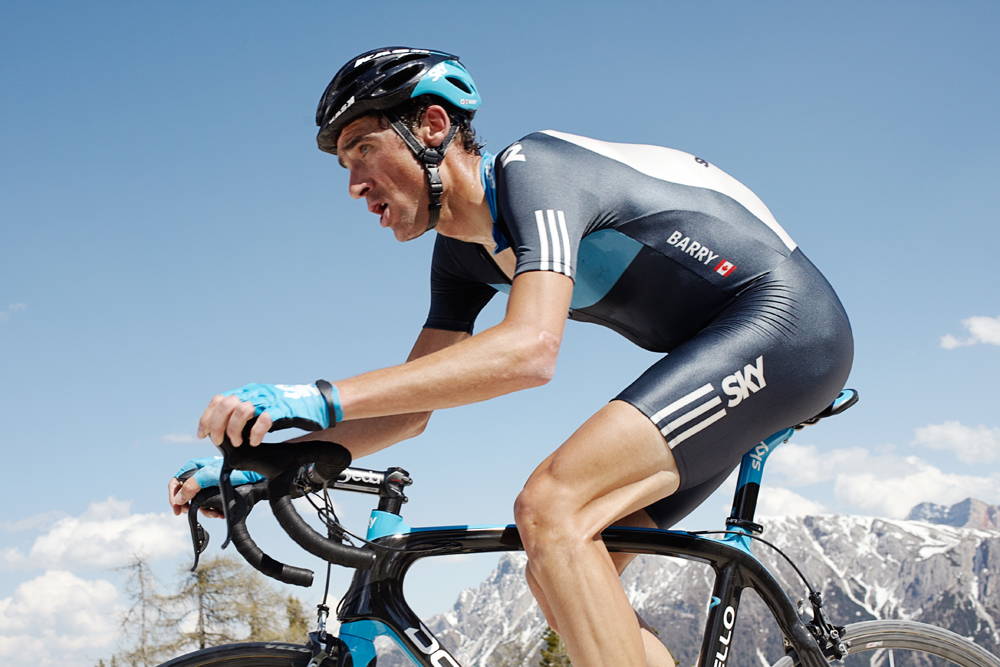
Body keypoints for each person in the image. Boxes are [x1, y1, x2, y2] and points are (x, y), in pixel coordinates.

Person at [168, 46, 853, 666]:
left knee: (552, 507)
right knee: (560, 570)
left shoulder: (536, 171)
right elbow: (414, 409)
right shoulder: (459, 256)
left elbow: (530, 349)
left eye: (363, 150)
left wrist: (317, 395)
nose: (353, 183)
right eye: (344, 166)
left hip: (788, 327)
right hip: (720, 346)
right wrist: (287, 457)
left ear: (432, 126)